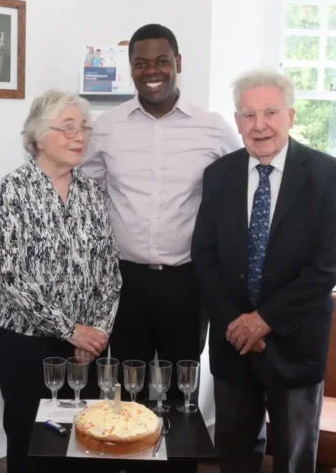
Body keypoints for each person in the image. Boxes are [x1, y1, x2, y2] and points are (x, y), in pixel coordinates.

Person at [191, 69, 336, 473]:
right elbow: (204, 256)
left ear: (291, 115)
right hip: (233, 343)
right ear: (237, 120)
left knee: (295, 458)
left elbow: (328, 265)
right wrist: (237, 324)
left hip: (296, 341)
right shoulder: (218, 175)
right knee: (235, 453)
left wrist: (263, 321)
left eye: (270, 112)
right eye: (248, 115)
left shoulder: (328, 175)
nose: (259, 125)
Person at [80, 23, 242, 402]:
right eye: (140, 63)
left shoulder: (212, 127)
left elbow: (241, 186)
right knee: (126, 386)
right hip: (124, 282)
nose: (151, 72)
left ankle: (178, 462)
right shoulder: (107, 128)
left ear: (177, 62)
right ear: (130, 68)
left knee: (180, 390)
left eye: (161, 61)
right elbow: (86, 195)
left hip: (187, 283)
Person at [0, 89, 122, 473]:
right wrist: (70, 330)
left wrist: (95, 331)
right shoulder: (10, 192)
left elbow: (109, 272)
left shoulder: (92, 194)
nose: (79, 136)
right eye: (68, 128)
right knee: (30, 436)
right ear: (38, 136)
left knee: (84, 434)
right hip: (27, 342)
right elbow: (10, 277)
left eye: (83, 128)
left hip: (87, 346)